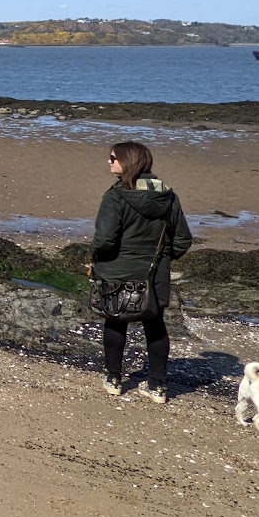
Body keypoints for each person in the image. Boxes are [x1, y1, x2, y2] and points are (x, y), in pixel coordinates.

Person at [90, 140, 192, 402]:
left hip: (118, 271)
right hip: (153, 273)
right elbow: (182, 239)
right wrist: (163, 260)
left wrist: (97, 259)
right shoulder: (168, 196)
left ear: (128, 161)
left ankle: (114, 378)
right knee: (155, 325)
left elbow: (104, 240)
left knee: (115, 319)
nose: (109, 161)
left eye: (113, 157)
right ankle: (157, 386)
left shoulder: (115, 196)